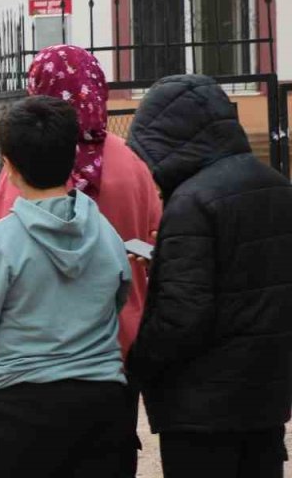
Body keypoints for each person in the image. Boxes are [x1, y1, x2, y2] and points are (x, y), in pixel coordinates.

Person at [0, 96, 132, 477]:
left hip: (18, 416)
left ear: (8, 166)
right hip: (102, 411)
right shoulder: (107, 236)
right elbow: (118, 303)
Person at [0, 45, 160, 475]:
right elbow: (160, 243)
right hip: (118, 343)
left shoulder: (25, 171)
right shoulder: (133, 163)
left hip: (40, 355)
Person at [125, 75, 292, 478]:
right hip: (265, 397)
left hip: (200, 410)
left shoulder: (191, 202)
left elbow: (182, 316)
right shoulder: (278, 187)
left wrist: (136, 366)